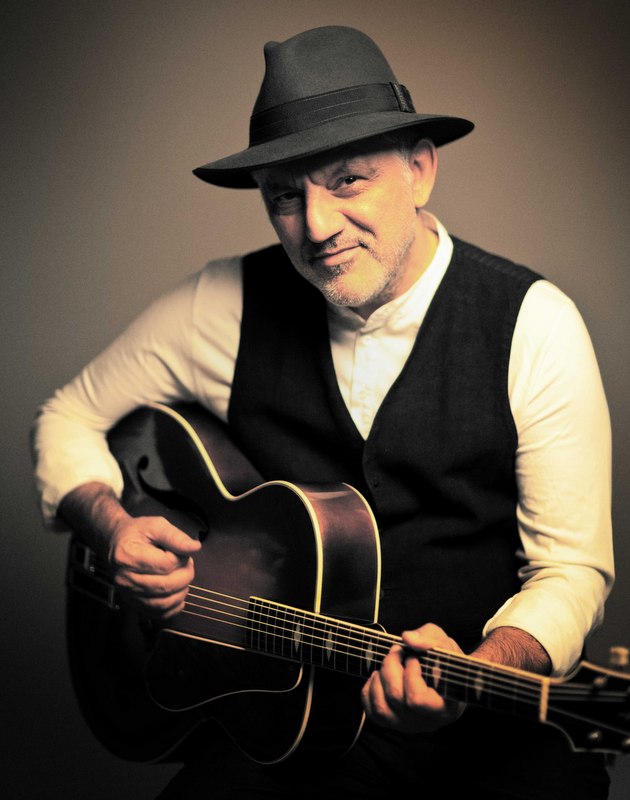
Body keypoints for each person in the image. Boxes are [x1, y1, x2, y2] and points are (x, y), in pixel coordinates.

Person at [32, 25, 614, 799]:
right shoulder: (224, 305)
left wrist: (479, 670)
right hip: (290, 723)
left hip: (492, 734)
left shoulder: (534, 324)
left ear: (420, 171)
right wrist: (111, 527)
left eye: (348, 181)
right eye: (285, 195)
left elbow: (569, 571)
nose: (317, 226)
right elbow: (67, 416)